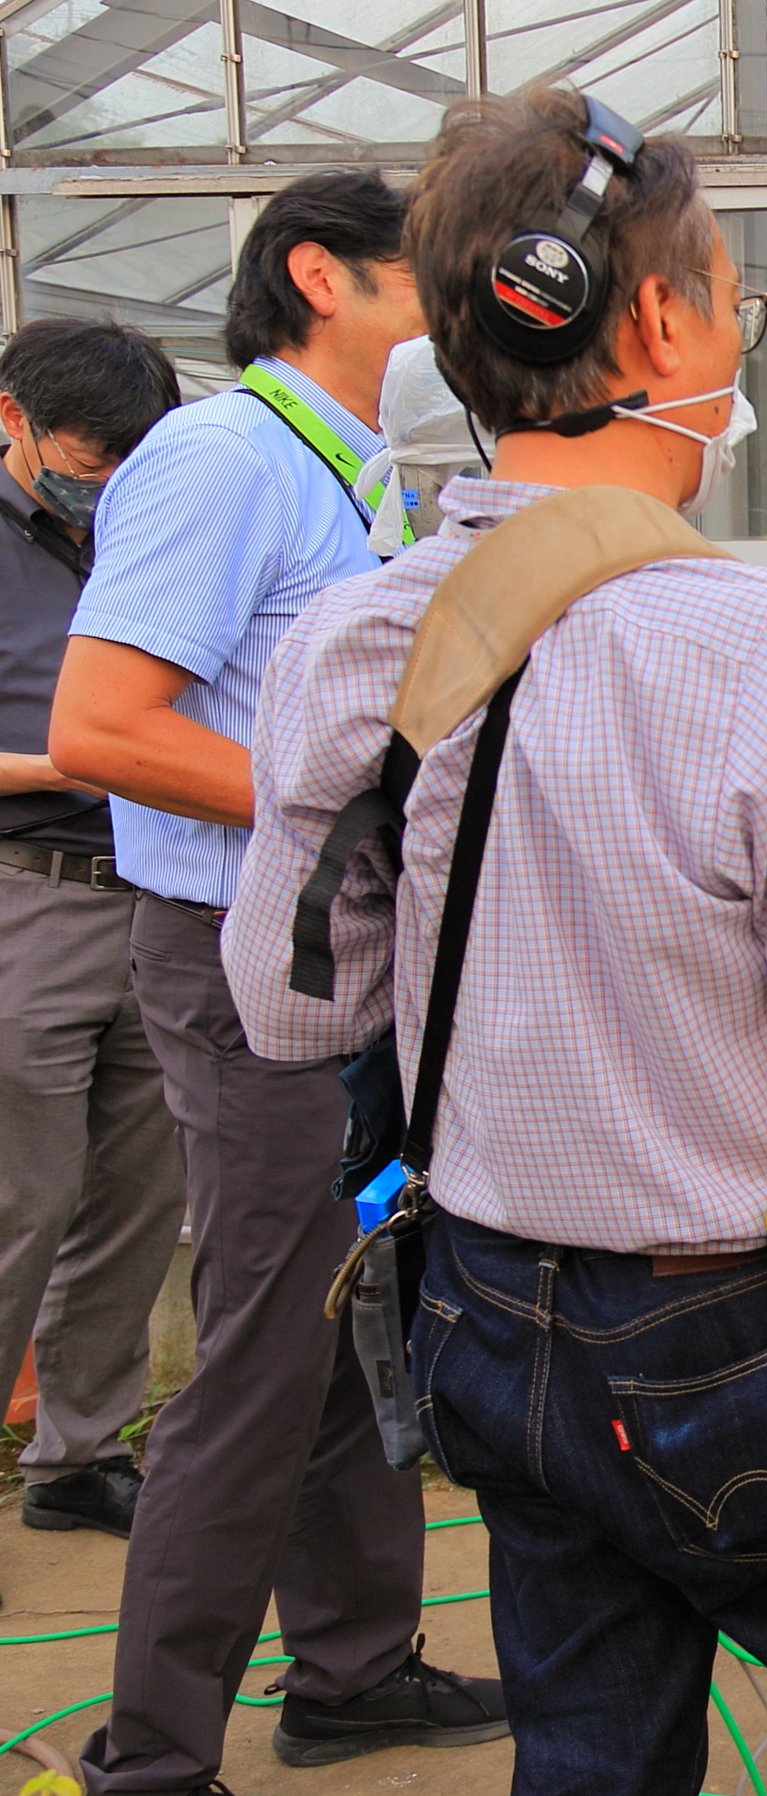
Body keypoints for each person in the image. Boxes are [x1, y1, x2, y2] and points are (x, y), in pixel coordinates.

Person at [222, 85, 767, 1792]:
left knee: (591, 1757)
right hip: (740, 1337)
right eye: (732, 299)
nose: (734, 328)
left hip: (484, 1315)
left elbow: (289, 1016)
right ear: (660, 320)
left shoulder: (354, 639)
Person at [48, 170, 508, 1787]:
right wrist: (354, 789)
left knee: (354, 1302)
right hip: (245, 966)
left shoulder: (358, 467)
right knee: (257, 1341)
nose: (449, 308)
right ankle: (157, 1744)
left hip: (341, 958)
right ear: (321, 275)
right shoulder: (221, 457)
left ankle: (354, 1667)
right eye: (420, 277)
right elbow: (106, 726)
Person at [0, 319, 184, 1552]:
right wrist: (79, 759)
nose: (103, 472)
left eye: (129, 452)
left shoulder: (147, 527)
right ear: (11, 417)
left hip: (153, 887)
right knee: (25, 1194)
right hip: (30, 889)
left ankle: (79, 1451)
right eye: (84, 448)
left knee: (137, 1192)